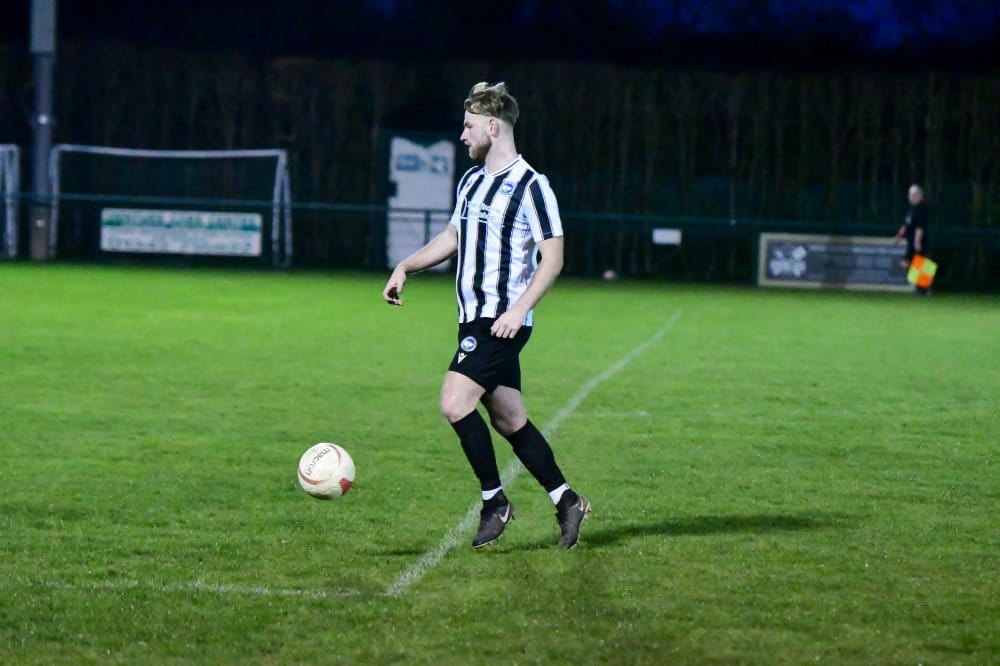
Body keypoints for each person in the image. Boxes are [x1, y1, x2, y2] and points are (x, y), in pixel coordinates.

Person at [382, 81, 590, 550]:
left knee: (454, 402)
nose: (463, 135)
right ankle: (567, 500)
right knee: (510, 420)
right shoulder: (471, 182)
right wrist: (405, 266)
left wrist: (519, 310)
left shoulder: (533, 186)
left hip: (501, 322)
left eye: (469, 126)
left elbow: (553, 258)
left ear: (492, 127)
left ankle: (494, 502)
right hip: (471, 318)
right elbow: (451, 238)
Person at [893, 184, 931, 295]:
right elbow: (905, 225)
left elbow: (920, 226)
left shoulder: (921, 209)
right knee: (908, 263)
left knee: (921, 263)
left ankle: (924, 289)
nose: (911, 197)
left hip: (920, 242)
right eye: (910, 194)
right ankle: (922, 288)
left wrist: (917, 240)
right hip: (911, 242)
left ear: (920, 196)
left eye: (914, 194)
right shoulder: (911, 210)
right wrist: (898, 237)